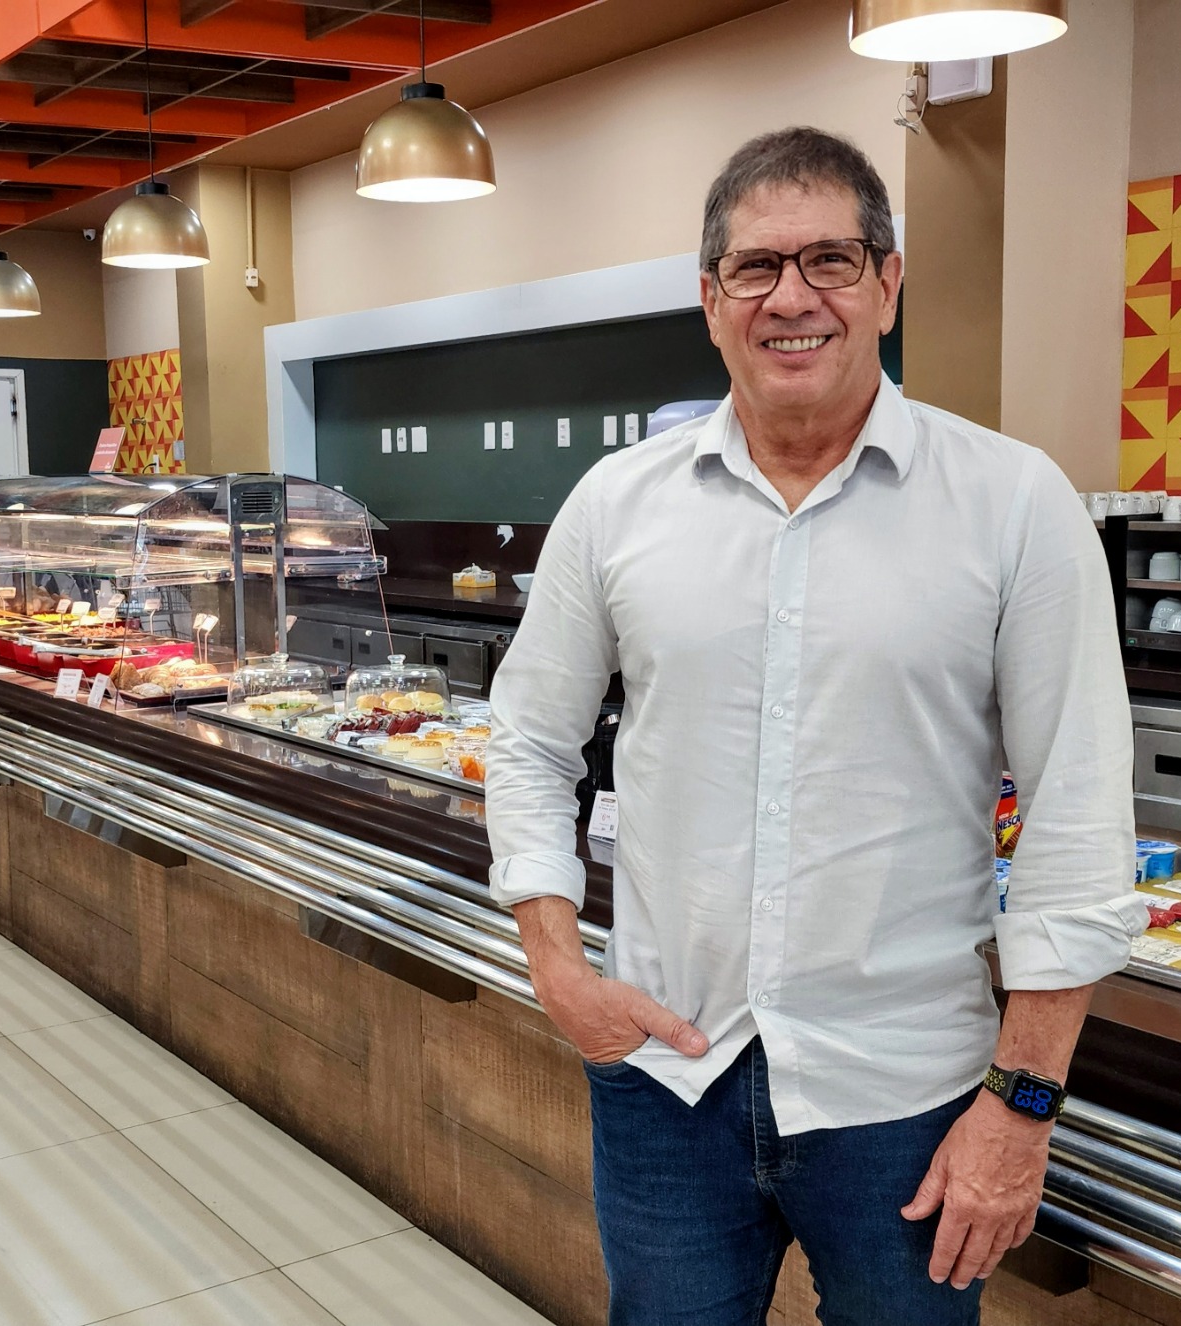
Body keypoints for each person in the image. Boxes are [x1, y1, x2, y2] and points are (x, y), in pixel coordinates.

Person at [485, 126, 1144, 1326]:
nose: (792, 298)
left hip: (908, 1100)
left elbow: (1078, 811)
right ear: (710, 300)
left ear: (887, 284)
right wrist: (557, 968)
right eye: (755, 267)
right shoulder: (616, 505)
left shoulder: (1013, 502)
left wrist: (1023, 1104)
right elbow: (529, 740)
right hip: (668, 1081)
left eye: (830, 261)